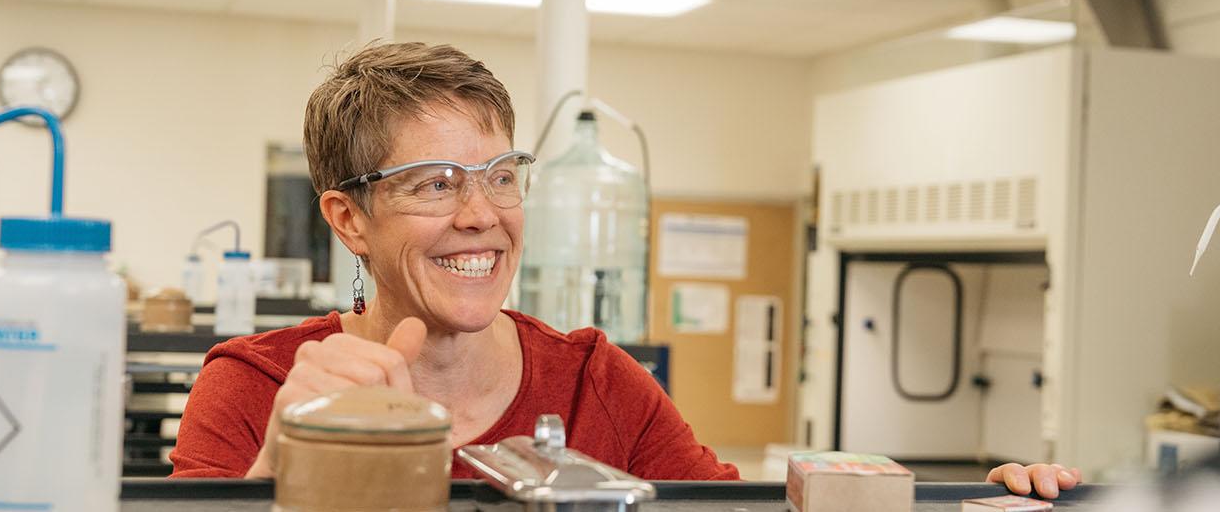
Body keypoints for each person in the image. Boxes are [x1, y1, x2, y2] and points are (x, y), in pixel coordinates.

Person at [168, 40, 1079, 496]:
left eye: (498, 175)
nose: (481, 213)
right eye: (435, 184)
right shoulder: (255, 390)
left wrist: (971, 510)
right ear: (348, 217)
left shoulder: (598, 380)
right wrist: (275, 473)